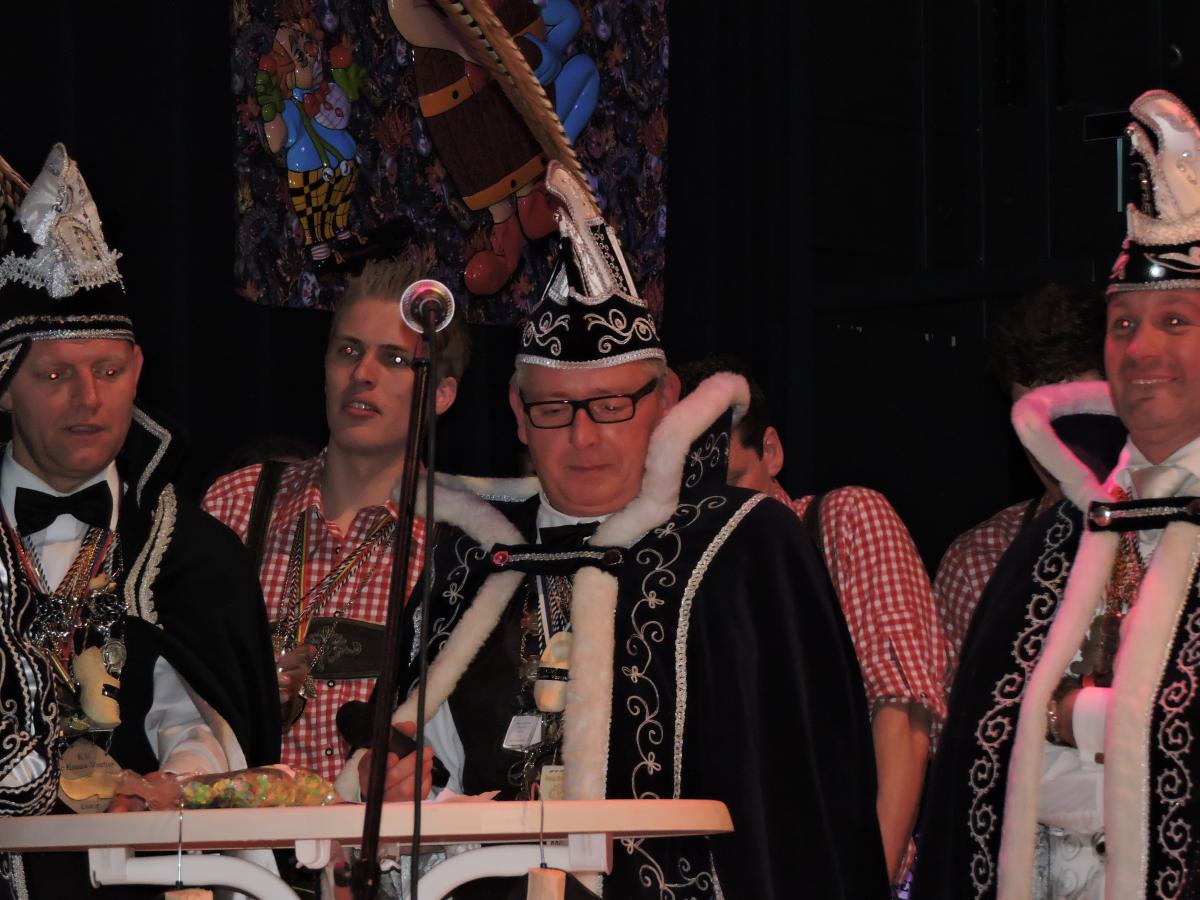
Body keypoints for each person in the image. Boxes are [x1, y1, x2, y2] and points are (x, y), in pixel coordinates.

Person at [347, 162, 888, 898]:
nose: (583, 438)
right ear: (517, 415)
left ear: (666, 398)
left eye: (610, 406)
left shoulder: (742, 547)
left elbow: (808, 801)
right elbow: (413, 763)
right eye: (553, 410)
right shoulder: (475, 558)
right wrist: (389, 778)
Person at [914, 88, 1200, 899]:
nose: (1141, 350)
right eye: (1123, 326)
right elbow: (984, 756)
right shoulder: (1063, 535)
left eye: (1176, 322)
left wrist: (1070, 717)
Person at [0, 146, 279, 896]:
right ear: (5, 385)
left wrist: (171, 788)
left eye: (109, 371)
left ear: (139, 371)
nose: (88, 399)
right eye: (55, 374)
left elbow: (199, 723)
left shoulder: (193, 556)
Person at [676, 355, 948, 885]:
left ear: (771, 451)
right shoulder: (679, 572)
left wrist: (869, 879)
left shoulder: (842, 520)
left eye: (731, 485)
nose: (716, 510)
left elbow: (903, 716)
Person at [203, 256, 469, 787]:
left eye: (395, 359)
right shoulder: (236, 503)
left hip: (382, 836)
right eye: (348, 351)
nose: (362, 374)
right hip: (242, 830)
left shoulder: (457, 541)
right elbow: (176, 693)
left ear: (441, 394)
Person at [933, 283, 1109, 676]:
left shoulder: (1180, 527)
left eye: (1067, 412)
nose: (1046, 438)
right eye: (1028, 418)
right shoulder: (982, 558)